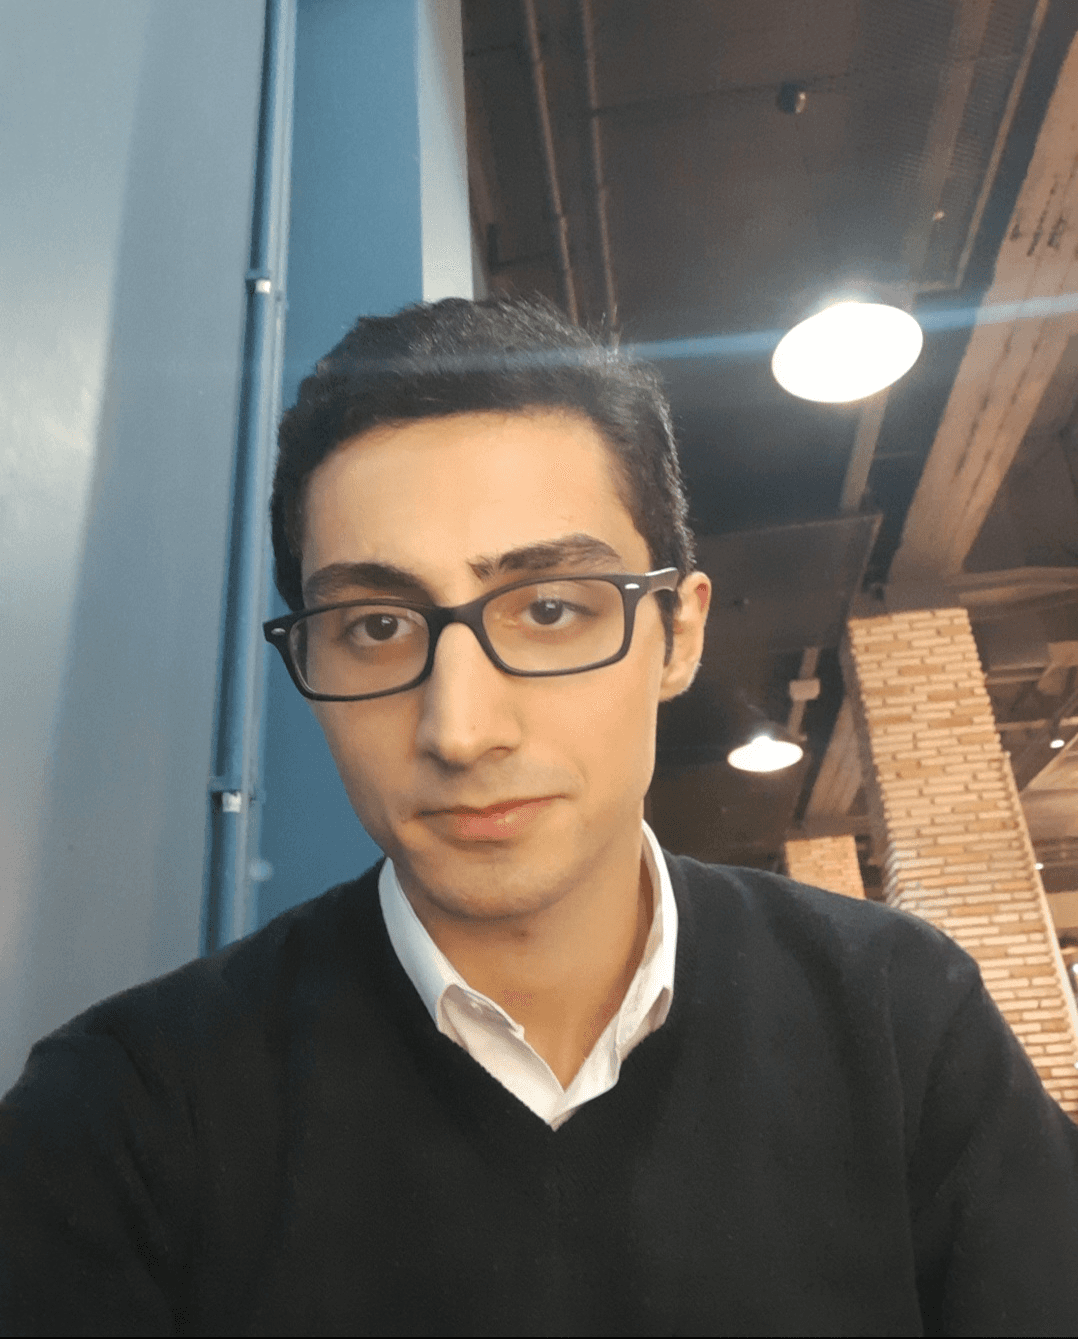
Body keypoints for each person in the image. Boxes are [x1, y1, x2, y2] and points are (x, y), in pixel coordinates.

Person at [2, 295, 1077, 1337]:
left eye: (551, 609)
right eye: (376, 625)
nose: (461, 730)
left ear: (677, 633)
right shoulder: (122, 1114)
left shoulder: (900, 1018)